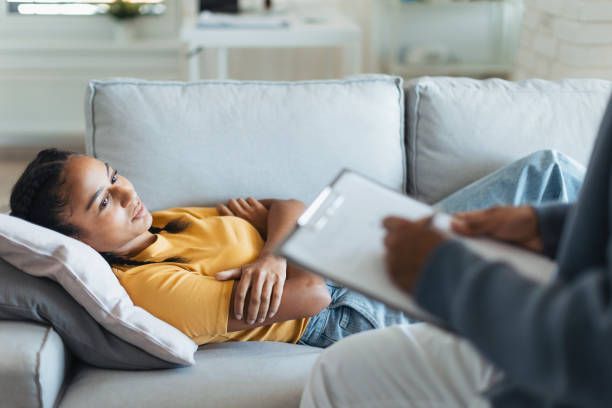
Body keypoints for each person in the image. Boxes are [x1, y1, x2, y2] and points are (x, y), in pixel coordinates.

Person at [300, 100, 612, 408]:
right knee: (340, 371)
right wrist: (548, 226)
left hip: (576, 352)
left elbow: (594, 353)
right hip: (337, 308)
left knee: (338, 375)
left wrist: (444, 270)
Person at [9, 149, 411, 348]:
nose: (127, 192)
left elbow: (288, 205)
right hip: (349, 312)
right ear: (75, 241)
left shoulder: (160, 222)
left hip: (350, 253)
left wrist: (273, 255)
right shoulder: (150, 286)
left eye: (114, 176)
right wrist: (278, 234)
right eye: (103, 201)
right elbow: (311, 296)